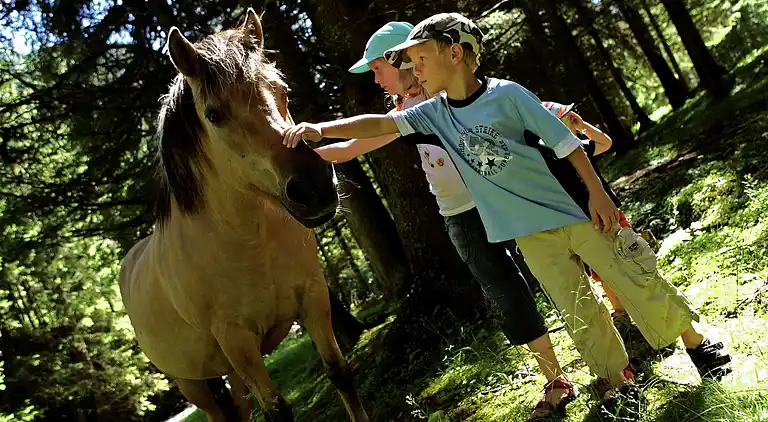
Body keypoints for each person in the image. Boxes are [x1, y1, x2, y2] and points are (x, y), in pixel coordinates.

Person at [283, 13, 732, 419]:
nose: (413, 70)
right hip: (529, 235)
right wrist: (319, 130)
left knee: (635, 279)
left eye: (420, 58)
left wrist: (597, 194)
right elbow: (376, 126)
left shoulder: (508, 95)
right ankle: (621, 384)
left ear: (455, 54)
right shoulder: (433, 115)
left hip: (575, 212)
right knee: (578, 311)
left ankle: (697, 344)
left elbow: (568, 144)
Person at [317, 22, 576, 420]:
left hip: (508, 196)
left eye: (376, 69)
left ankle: (608, 324)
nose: (375, 79)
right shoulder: (403, 114)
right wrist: (301, 146)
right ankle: (555, 378)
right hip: (460, 215)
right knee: (504, 289)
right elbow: (350, 148)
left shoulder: (450, 92)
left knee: (558, 261)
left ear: (397, 60)